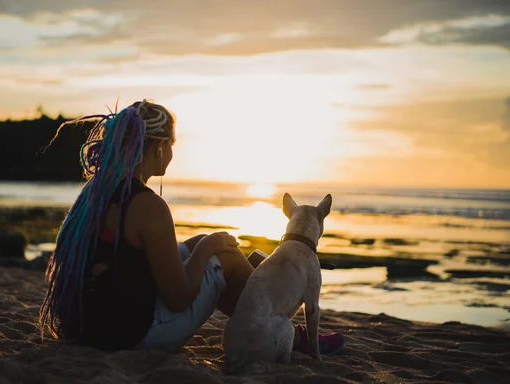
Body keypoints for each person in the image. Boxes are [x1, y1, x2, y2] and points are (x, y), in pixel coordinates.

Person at [39, 99, 344, 355]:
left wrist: (203, 245)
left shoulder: (99, 191)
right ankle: (278, 325)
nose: (172, 152)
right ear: (158, 148)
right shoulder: (149, 206)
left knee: (203, 242)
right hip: (134, 336)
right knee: (219, 253)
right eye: (171, 144)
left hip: (92, 326)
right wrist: (207, 249)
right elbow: (178, 298)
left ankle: (254, 293)